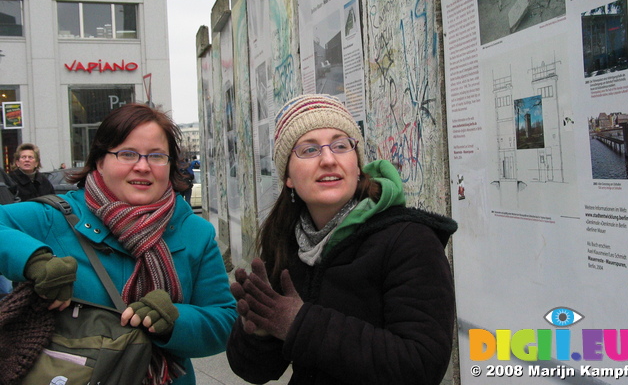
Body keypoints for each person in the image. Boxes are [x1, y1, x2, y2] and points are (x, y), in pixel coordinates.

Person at [226, 94, 457, 385]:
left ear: (357, 164)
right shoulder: (288, 243)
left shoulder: (409, 240)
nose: (328, 159)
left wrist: (301, 324)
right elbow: (255, 372)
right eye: (309, 149)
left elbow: (422, 367)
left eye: (340, 145)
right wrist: (258, 331)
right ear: (287, 176)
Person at [0, 103, 237, 384]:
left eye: (157, 156)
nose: (143, 166)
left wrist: (175, 319)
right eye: (127, 154)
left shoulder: (195, 232)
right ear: (100, 160)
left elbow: (224, 322)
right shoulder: (54, 218)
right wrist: (33, 261)